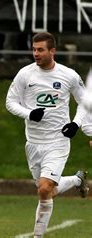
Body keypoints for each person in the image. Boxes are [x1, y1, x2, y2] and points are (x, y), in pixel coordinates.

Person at [5, 32, 89, 238]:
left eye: (40, 49)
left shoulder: (68, 75)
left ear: (53, 51)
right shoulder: (25, 74)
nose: (36, 54)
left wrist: (76, 124)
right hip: (33, 142)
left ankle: (37, 236)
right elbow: (10, 102)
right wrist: (29, 113)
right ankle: (77, 181)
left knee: (44, 189)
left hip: (58, 141)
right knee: (47, 190)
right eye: (34, 49)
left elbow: (85, 102)